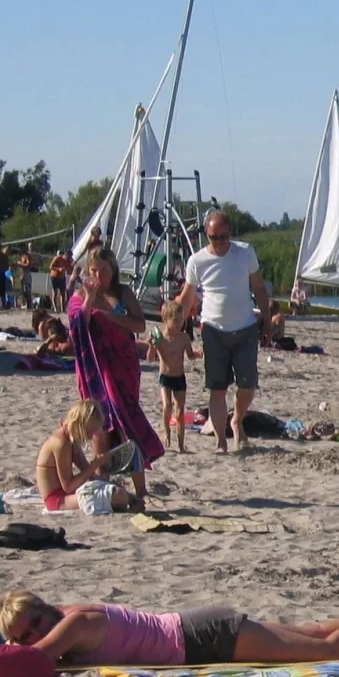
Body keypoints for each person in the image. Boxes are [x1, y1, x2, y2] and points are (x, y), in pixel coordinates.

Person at [0, 592, 339, 666]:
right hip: (198, 626)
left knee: (328, 650)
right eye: (24, 632)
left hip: (203, 637)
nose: (34, 634)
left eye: (34, 621)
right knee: (313, 632)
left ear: (46, 609)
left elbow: (34, 660)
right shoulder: (68, 619)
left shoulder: (72, 623)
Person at [69, 248, 163, 504]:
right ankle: (103, 482)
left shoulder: (123, 293)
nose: (99, 275)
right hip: (95, 369)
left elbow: (140, 325)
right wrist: (90, 299)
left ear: (113, 270)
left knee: (126, 422)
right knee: (100, 424)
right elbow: (78, 327)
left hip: (123, 366)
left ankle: (141, 487)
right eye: (94, 271)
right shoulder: (79, 296)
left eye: (104, 270)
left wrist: (112, 317)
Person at [176, 211, 272, 454]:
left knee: (247, 386)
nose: (218, 242)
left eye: (223, 236)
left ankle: (237, 420)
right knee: (217, 388)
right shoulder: (197, 261)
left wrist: (268, 322)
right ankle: (221, 441)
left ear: (230, 232)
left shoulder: (245, 252)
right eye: (213, 237)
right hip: (213, 329)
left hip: (246, 327)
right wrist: (174, 329)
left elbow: (259, 287)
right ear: (206, 235)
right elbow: (187, 297)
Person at [34, 400, 133, 513]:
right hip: (57, 500)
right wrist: (94, 465)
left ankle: (131, 499)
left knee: (116, 491)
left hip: (67, 494)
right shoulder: (61, 444)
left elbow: (88, 472)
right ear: (81, 425)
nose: (90, 437)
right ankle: (129, 499)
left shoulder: (70, 440)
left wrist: (106, 480)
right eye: (89, 432)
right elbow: (68, 486)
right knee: (118, 496)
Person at [147, 300, 200, 454]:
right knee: (167, 406)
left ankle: (181, 444)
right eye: (175, 320)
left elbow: (190, 355)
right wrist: (151, 345)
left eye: (181, 320)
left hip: (179, 377)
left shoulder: (184, 338)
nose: (179, 323)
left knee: (180, 411)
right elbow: (150, 359)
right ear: (166, 320)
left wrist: (197, 354)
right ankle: (166, 433)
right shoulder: (160, 338)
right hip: (165, 377)